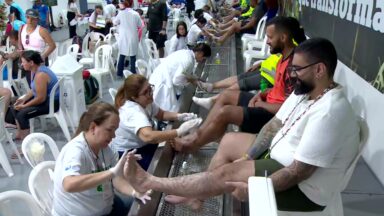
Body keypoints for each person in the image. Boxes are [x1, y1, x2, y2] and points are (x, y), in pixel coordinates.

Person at [123, 38, 361, 212]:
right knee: (228, 141)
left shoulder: (331, 112)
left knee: (229, 177)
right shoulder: (305, 92)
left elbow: (298, 172)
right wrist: (248, 156)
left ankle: (151, 182)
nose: (292, 75)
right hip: (281, 158)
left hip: (305, 190)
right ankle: (198, 196)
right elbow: (272, 127)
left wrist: (257, 188)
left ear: (320, 70)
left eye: (297, 70)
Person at [173, 16, 306, 153]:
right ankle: (200, 134)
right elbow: (279, 89)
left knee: (225, 112)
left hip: (272, 116)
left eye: (270, 38)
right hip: (266, 103)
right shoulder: (283, 57)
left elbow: (289, 108)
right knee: (225, 95)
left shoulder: (293, 67)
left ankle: (193, 144)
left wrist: (261, 104)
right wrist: (261, 94)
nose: (267, 42)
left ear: (283, 38)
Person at [52, 102, 151, 216]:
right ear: (93, 127)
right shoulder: (75, 151)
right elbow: (69, 184)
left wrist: (135, 192)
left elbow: (116, 180)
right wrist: (111, 172)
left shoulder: (107, 149)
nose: (114, 136)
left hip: (104, 206)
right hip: (80, 213)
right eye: (110, 130)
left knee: (140, 206)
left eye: (115, 130)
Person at [111, 74, 201, 170]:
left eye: (150, 88)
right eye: (146, 92)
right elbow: (148, 136)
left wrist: (180, 116)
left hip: (143, 144)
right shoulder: (133, 112)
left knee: (172, 148)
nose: (150, 93)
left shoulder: (146, 100)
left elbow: (161, 114)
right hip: (129, 152)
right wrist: (179, 131)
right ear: (134, 97)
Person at [149, 43, 211, 112]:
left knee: (163, 110)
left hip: (161, 77)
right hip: (163, 83)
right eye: (204, 58)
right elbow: (177, 80)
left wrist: (196, 78)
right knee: (165, 110)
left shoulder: (187, 54)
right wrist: (192, 81)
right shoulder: (188, 60)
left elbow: (185, 73)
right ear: (200, 53)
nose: (203, 61)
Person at [11, 50, 59, 140]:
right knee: (14, 105)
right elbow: (34, 90)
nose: (22, 64)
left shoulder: (40, 75)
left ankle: (27, 144)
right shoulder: (35, 70)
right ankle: (20, 135)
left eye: (23, 62)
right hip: (45, 99)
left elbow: (41, 98)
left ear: (31, 62)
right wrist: (24, 99)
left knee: (22, 114)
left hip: (51, 103)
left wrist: (24, 106)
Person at [196, 54, 281, 92]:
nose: (268, 41)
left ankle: (215, 100)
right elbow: (273, 58)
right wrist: (260, 64)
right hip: (264, 69)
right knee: (241, 76)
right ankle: (212, 86)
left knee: (244, 82)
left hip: (270, 77)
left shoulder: (292, 51)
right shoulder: (283, 46)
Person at [113, 0, 143, 77]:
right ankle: (133, 74)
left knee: (122, 55)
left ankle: (119, 73)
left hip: (123, 37)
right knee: (133, 57)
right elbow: (140, 25)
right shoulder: (135, 14)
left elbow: (115, 22)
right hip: (133, 37)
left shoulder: (121, 13)